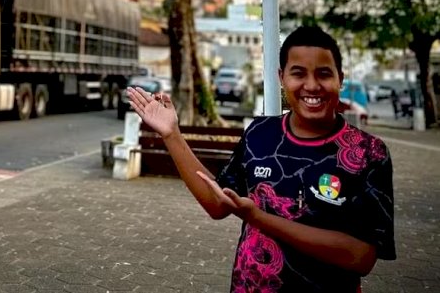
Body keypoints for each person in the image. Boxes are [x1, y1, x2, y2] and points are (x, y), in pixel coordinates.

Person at [127, 25, 395, 292]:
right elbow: (218, 204)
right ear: (281, 77)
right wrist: (172, 134)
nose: (312, 85)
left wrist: (258, 217)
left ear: (341, 78)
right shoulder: (260, 133)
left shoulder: (368, 153)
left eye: (324, 74)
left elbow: (361, 257)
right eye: (298, 73)